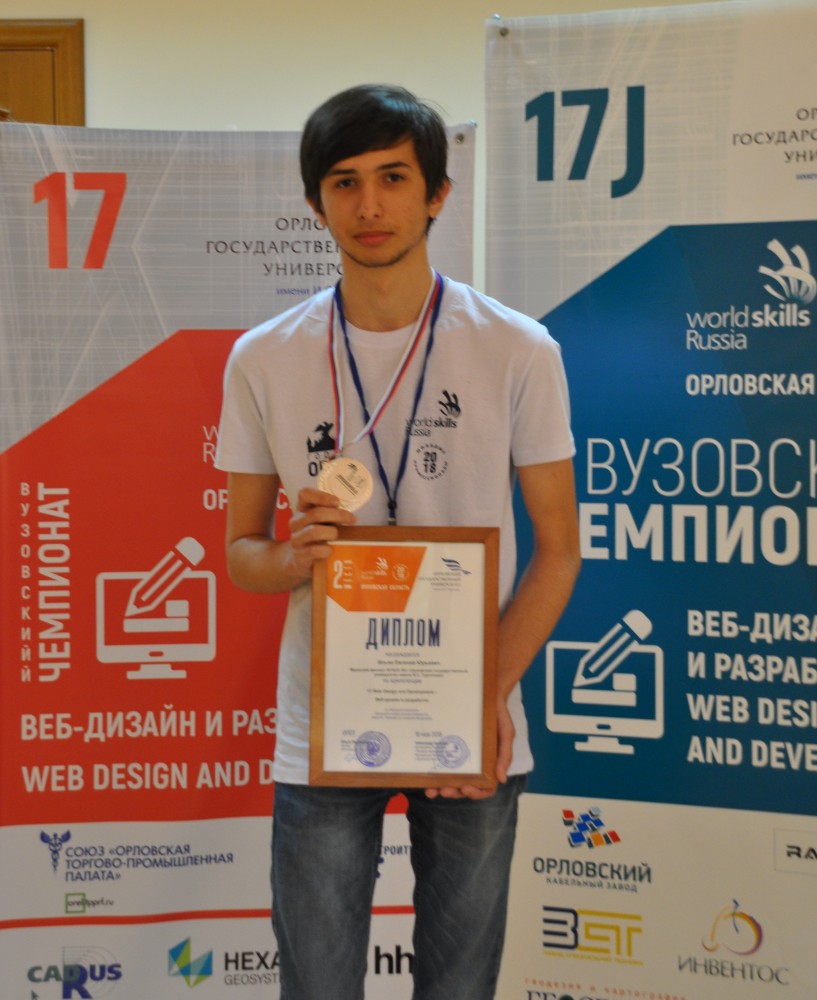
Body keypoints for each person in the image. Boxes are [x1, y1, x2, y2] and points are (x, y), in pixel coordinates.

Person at [215, 83, 581, 1000]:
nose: (369, 204)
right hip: (322, 723)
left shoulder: (517, 348)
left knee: (458, 985)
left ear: (436, 193)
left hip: (473, 719)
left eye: (393, 177)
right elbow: (241, 552)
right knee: (317, 985)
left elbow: (559, 549)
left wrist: (483, 695)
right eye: (344, 182)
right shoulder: (264, 356)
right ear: (315, 203)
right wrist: (294, 556)